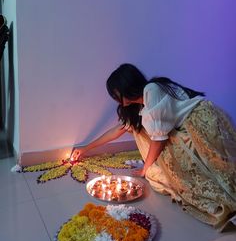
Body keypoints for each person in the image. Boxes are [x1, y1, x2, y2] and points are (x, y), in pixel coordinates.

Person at [72, 63, 236, 231]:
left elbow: (159, 139)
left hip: (203, 122)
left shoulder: (152, 90)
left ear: (126, 86)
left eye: (116, 93)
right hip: (186, 130)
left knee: (221, 168)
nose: (116, 99)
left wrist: (146, 167)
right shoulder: (138, 106)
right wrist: (85, 148)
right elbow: (117, 131)